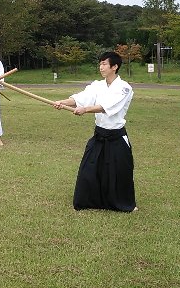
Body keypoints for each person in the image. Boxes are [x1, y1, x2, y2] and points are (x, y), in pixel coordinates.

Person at [53, 51, 136, 212]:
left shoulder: (124, 88)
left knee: (119, 172)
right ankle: (91, 201)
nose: (101, 67)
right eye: (100, 63)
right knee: (89, 169)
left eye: (104, 64)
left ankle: (123, 204)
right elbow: (80, 98)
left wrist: (85, 109)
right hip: (99, 134)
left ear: (115, 66)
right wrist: (62, 101)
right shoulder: (97, 85)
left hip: (116, 136)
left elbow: (107, 106)